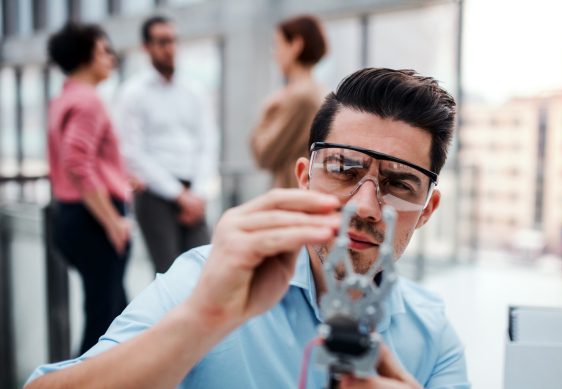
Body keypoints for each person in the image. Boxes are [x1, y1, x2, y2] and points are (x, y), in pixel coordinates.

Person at [26, 68, 470, 389]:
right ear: (304, 177)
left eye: (399, 184)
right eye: (344, 169)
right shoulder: (205, 279)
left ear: (427, 209)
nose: (366, 206)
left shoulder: (432, 336)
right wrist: (202, 320)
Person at [46, 22, 131, 356]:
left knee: (115, 314)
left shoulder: (64, 98)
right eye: (104, 51)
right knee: (104, 322)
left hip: (71, 216)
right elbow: (76, 162)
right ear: (85, 57)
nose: (111, 58)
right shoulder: (88, 101)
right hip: (93, 219)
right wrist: (113, 222)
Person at [113, 16, 218, 274]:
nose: (169, 48)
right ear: (146, 47)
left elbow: (208, 142)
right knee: (168, 274)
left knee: (206, 268)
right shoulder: (132, 93)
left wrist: (198, 193)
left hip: (193, 190)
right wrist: (178, 195)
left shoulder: (194, 90)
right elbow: (132, 154)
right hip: (154, 195)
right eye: (161, 42)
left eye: (172, 41)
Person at [251, 14, 327, 189]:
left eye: (278, 45)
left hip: (293, 195)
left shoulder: (300, 97)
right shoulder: (318, 91)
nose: (274, 54)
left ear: (296, 45)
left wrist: (268, 110)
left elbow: (264, 154)